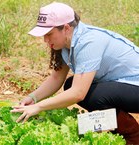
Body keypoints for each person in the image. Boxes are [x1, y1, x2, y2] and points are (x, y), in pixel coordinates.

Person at [11, 2, 139, 144]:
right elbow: (56, 77)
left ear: (66, 28)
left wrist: (38, 107)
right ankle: (118, 128)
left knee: (92, 96)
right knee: (70, 84)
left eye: (49, 34)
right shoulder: (66, 43)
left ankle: (133, 134)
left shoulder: (88, 42)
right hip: (123, 85)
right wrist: (33, 98)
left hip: (135, 86)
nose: (45, 40)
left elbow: (79, 93)